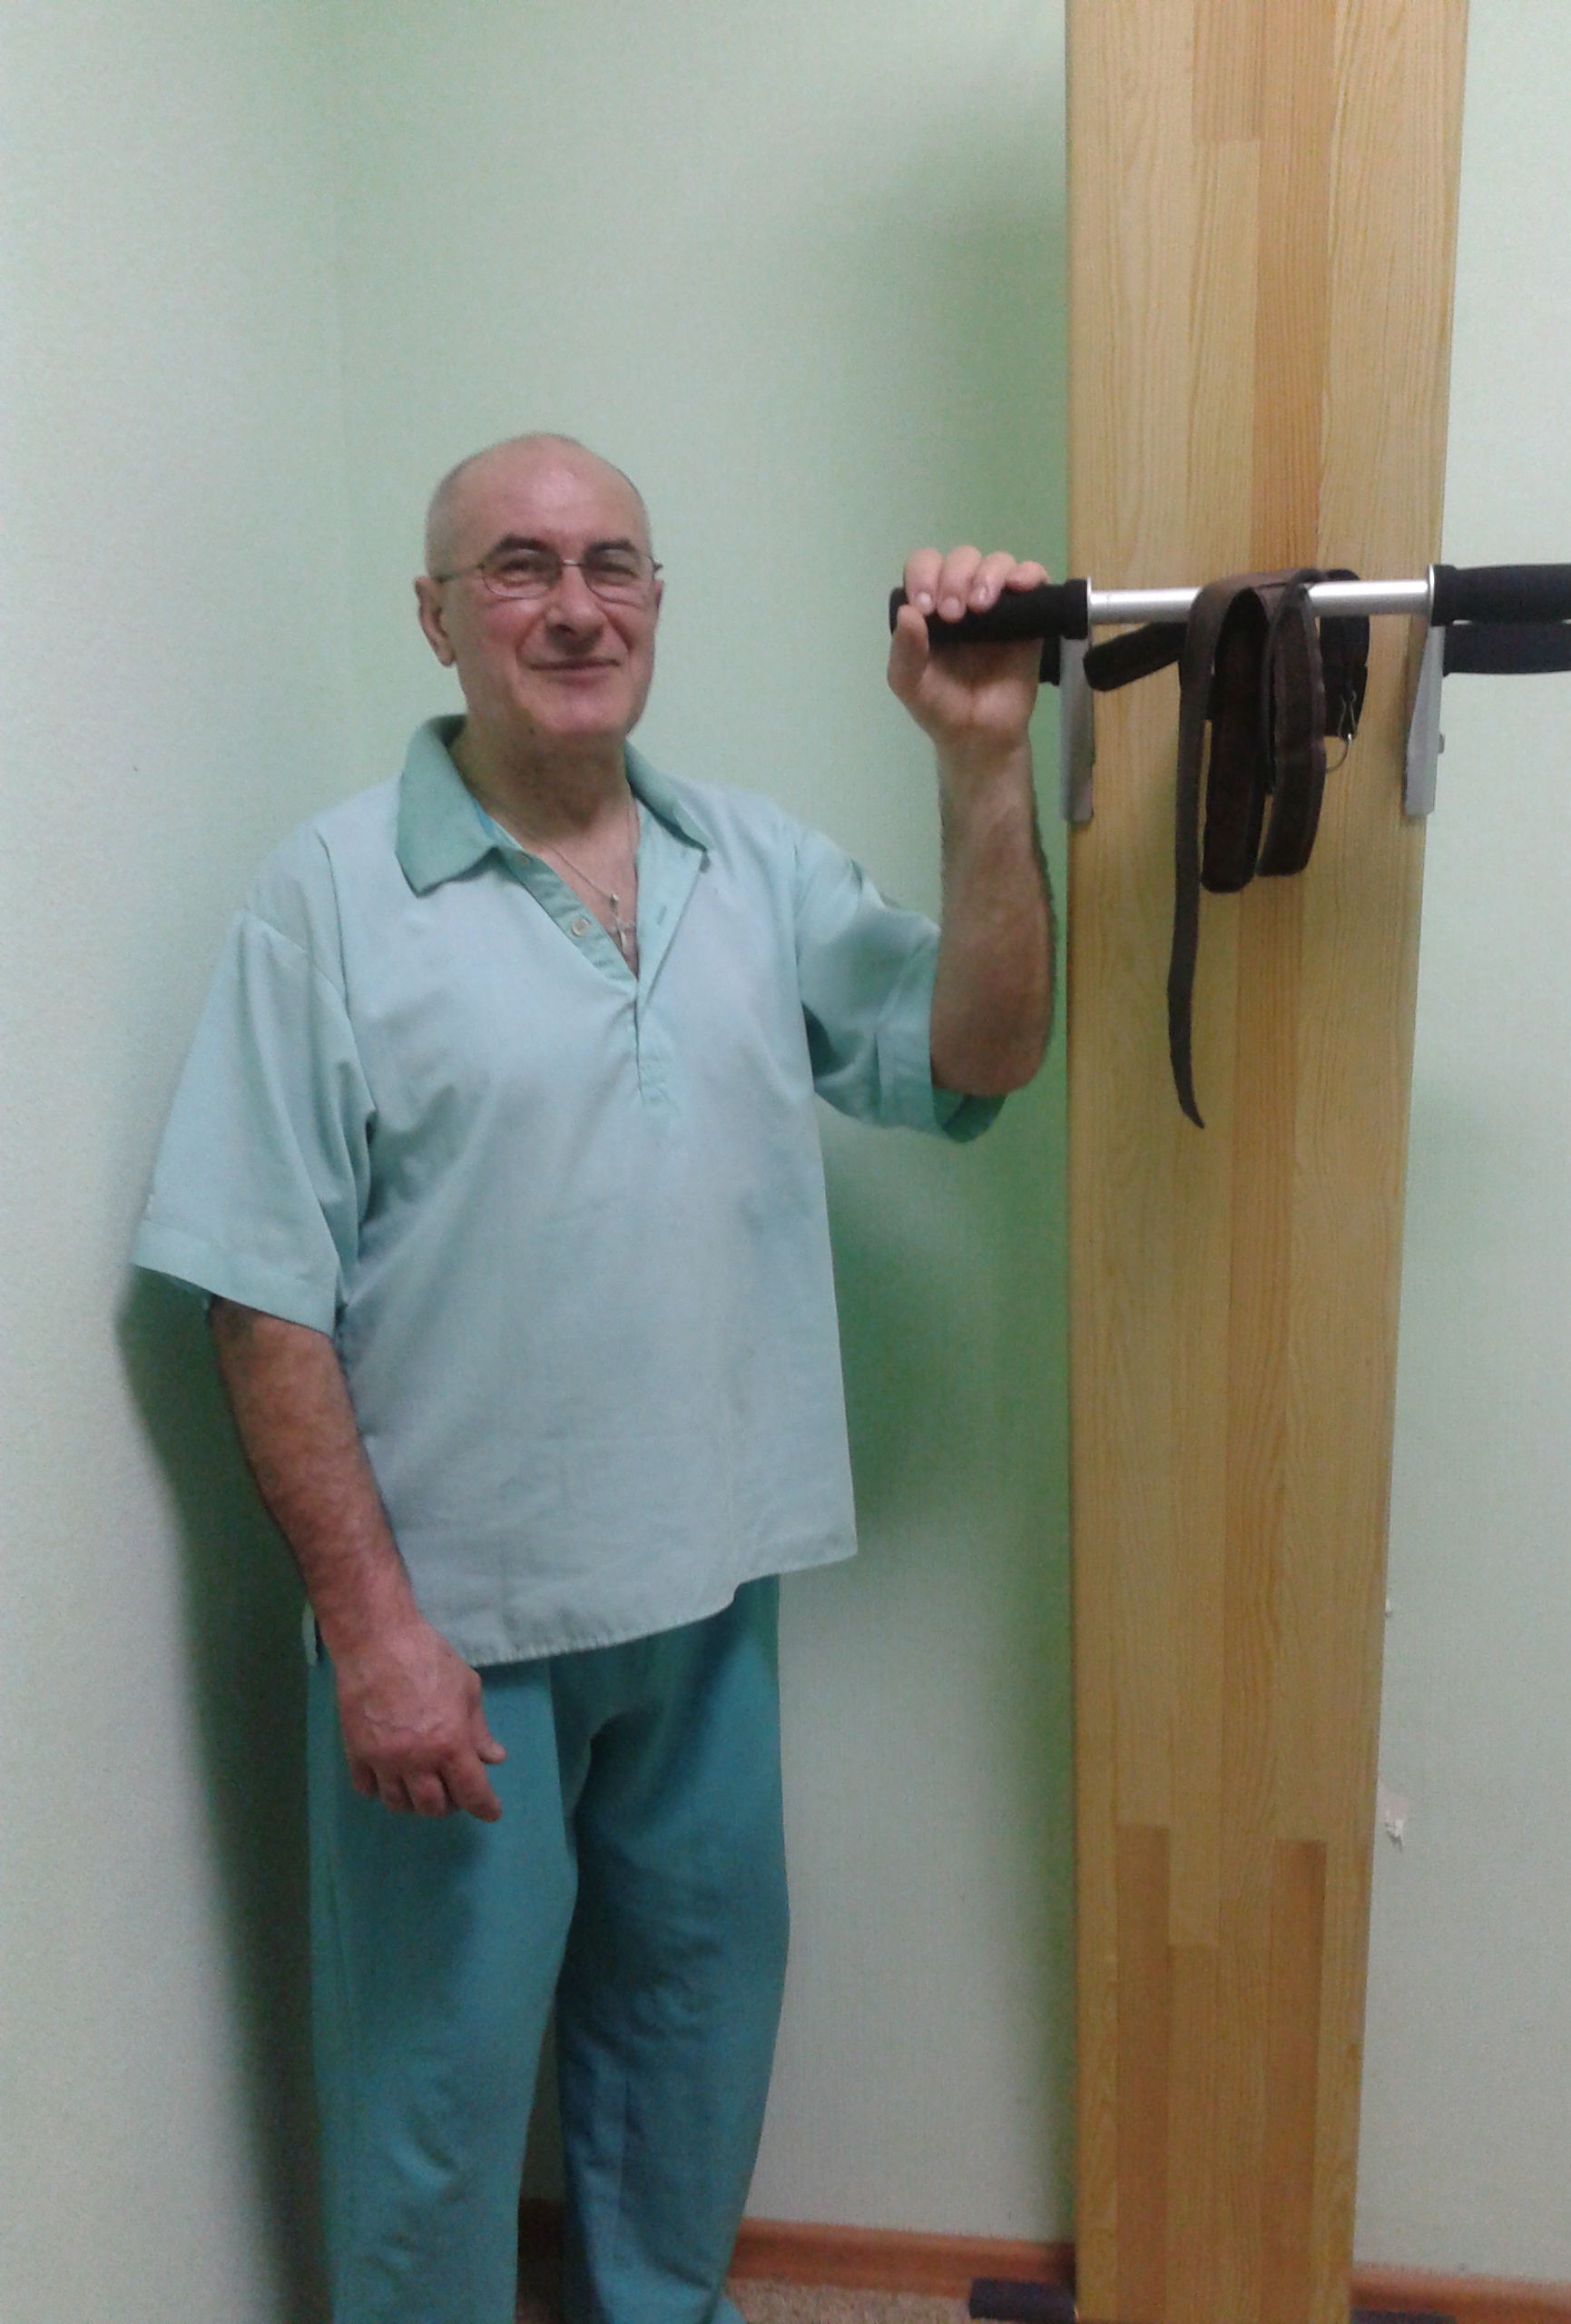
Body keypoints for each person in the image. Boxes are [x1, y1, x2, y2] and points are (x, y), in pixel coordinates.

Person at [133, 433, 1053, 2324]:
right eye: (519, 567)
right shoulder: (330, 897)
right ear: (436, 616)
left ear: (655, 601)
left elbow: (983, 1048)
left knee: (689, 2056)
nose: (574, 607)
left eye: (612, 564)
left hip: (710, 1598)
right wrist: (373, 1633)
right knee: (435, 2109)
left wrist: (981, 766)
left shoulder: (752, 867)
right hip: (459, 1631)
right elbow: (257, 1299)